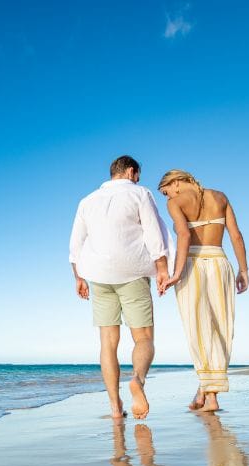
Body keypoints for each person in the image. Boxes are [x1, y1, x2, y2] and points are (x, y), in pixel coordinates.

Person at [69, 155, 169, 419]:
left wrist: (78, 277)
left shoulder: (87, 201)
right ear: (131, 172)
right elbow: (153, 232)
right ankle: (137, 379)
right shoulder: (140, 193)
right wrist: (162, 268)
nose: (138, 179)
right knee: (144, 338)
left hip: (98, 276)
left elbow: (76, 244)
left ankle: (115, 408)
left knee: (107, 343)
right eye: (137, 175)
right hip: (133, 272)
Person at [158, 169, 249, 412]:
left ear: (175, 183)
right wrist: (244, 270)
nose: (167, 197)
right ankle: (206, 392)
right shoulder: (220, 197)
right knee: (222, 327)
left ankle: (210, 397)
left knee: (198, 328)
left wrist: (176, 273)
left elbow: (184, 234)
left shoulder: (175, 202)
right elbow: (236, 236)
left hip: (193, 264)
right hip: (220, 262)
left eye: (166, 191)